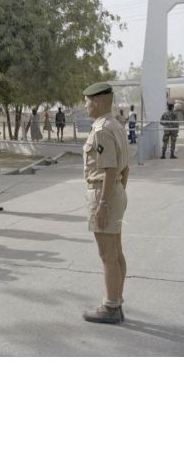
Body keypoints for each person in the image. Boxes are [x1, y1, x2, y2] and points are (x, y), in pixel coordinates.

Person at [82, 82, 129, 325]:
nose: (86, 105)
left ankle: (110, 307)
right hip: (114, 192)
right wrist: (118, 195)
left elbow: (110, 170)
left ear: (98, 101)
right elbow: (125, 168)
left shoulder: (101, 129)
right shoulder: (117, 125)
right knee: (116, 251)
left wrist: (104, 203)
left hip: (104, 193)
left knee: (107, 255)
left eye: (88, 101)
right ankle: (117, 301)